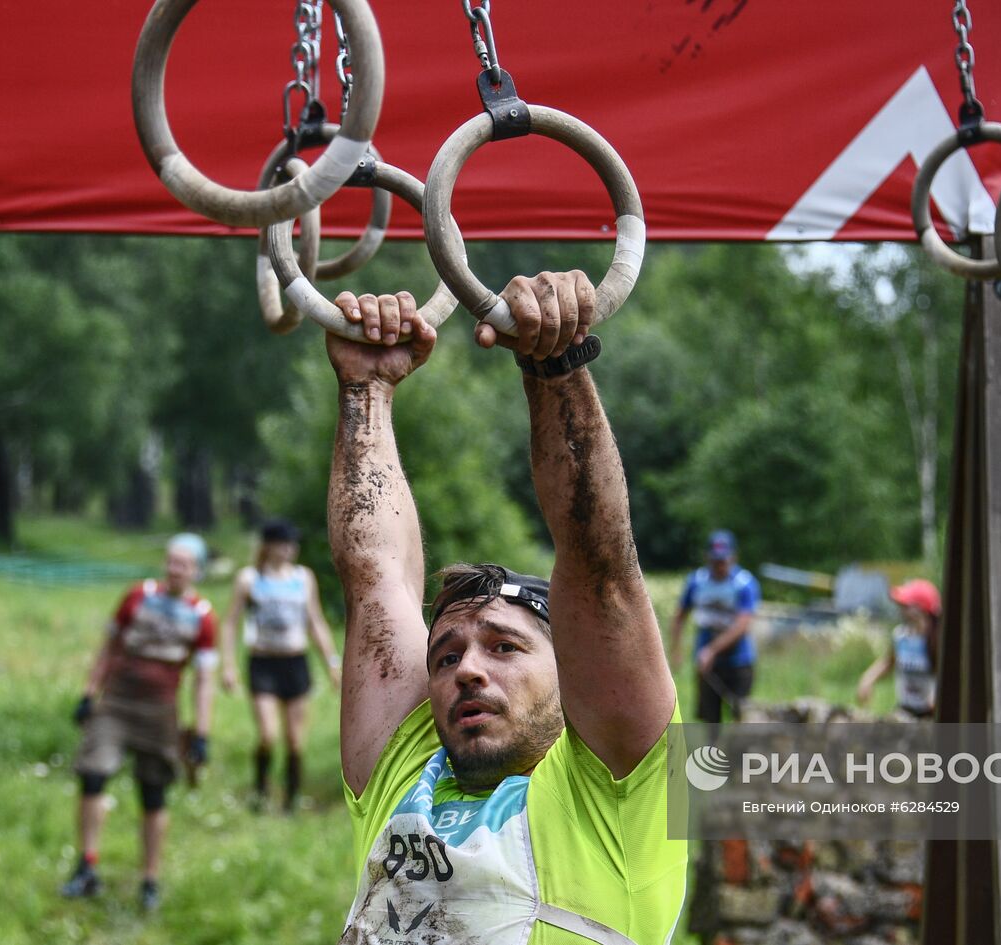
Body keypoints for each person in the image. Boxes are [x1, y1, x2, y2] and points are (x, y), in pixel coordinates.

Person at [325, 278, 685, 944]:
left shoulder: (623, 792)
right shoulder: (404, 771)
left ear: (570, 673)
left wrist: (555, 367)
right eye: (446, 654)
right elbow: (374, 576)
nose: (466, 669)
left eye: (505, 646)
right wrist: (365, 391)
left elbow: (600, 568)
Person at [62, 533, 217, 911]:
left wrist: (201, 730)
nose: (174, 568)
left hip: (160, 713)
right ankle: (87, 866)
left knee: (153, 793)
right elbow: (109, 649)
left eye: (182, 563)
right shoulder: (137, 597)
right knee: (93, 775)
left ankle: (149, 879)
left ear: (196, 570)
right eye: (170, 560)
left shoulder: (202, 617)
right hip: (116, 703)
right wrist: (89, 692)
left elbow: (204, 680)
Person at [219, 518, 341, 812]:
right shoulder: (249, 579)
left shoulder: (303, 578)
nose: (289, 549)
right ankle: (260, 789)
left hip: (295, 664)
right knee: (267, 735)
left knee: (295, 741)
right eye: (283, 543)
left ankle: (291, 799)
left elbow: (316, 622)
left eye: (292, 544)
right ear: (268, 546)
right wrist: (228, 665)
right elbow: (231, 623)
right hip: (263, 664)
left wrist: (332, 663)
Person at [667, 530, 761, 724]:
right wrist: (676, 649)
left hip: (738, 662)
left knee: (741, 718)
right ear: (707, 557)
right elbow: (679, 616)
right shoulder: (697, 582)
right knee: (710, 722)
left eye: (723, 561)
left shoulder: (744, 584)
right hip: (707, 666)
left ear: (733, 557)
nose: (719, 566)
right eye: (715, 561)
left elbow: (742, 624)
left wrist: (712, 650)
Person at [855, 578, 942, 718]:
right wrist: (868, 679)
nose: (900, 608)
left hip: (931, 713)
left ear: (919, 609)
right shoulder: (901, 636)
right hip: (905, 710)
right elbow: (889, 661)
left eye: (905, 605)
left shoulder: (938, 640)